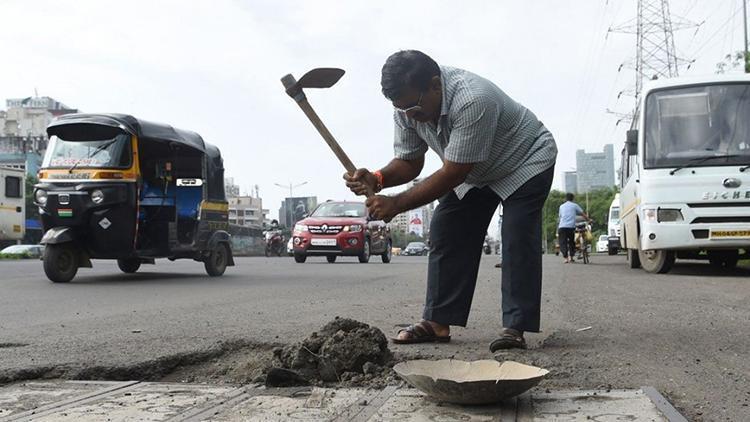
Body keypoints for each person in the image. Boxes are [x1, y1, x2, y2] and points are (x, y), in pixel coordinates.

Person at [344, 50, 557, 351]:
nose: (408, 116)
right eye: (401, 109)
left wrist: (396, 203)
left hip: (524, 160)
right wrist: (377, 179)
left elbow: (454, 172)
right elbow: (409, 161)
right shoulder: (407, 107)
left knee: (517, 235)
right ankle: (437, 322)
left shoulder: (473, 100)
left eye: (414, 109)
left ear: (435, 85)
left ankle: (515, 327)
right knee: (447, 229)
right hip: (477, 169)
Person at [557, 193, 590, 264]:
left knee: (563, 242)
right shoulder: (575, 205)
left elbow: (560, 217)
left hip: (562, 227)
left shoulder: (561, 206)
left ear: (565, 199)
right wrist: (588, 220)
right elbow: (582, 214)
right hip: (570, 227)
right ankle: (571, 257)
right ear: (573, 199)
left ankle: (566, 258)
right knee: (572, 242)